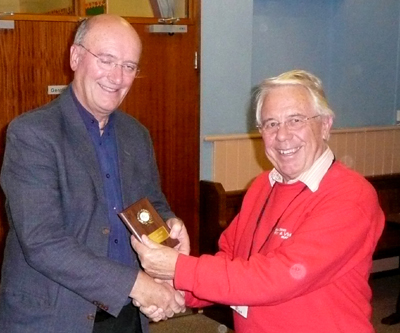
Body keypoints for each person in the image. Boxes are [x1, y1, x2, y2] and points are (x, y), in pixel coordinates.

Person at [133, 69, 385, 332]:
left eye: (295, 120)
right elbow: (232, 263)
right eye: (271, 123)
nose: (283, 135)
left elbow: (279, 277)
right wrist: (176, 289)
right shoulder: (262, 186)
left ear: (325, 124)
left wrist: (179, 268)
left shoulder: (351, 196)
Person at [0, 14, 189, 333]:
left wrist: (168, 235)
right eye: (107, 60)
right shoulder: (32, 134)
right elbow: (43, 242)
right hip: (55, 315)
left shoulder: (136, 135)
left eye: (129, 66)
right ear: (75, 57)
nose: (117, 77)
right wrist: (138, 284)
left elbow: (147, 207)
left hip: (127, 315)